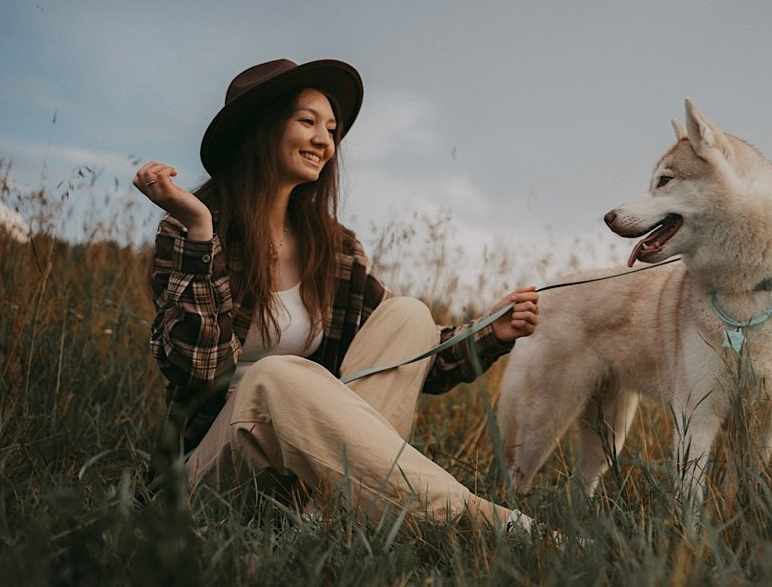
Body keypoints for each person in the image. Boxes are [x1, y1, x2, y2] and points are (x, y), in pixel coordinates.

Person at [134, 57, 540, 532]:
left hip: (303, 476)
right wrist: (201, 231)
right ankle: (487, 524)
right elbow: (197, 369)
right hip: (211, 475)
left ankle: (322, 519)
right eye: (307, 121)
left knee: (408, 316)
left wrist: (490, 332)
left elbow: (409, 365)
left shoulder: (334, 247)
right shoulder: (193, 230)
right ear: (260, 127)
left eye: (331, 129)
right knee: (274, 377)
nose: (325, 141)